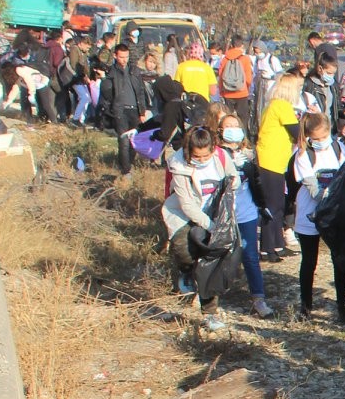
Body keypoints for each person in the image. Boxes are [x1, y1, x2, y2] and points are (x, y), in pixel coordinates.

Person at [161, 117, 239, 332]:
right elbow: (186, 204)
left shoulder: (221, 157)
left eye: (207, 155)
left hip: (215, 213)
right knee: (184, 249)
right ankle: (186, 270)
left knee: (208, 262)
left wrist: (231, 186)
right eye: (197, 156)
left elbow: (234, 177)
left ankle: (210, 312)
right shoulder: (179, 164)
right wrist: (210, 226)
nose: (202, 159)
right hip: (185, 215)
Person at [293, 112, 345, 323]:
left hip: (335, 214)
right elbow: (313, 189)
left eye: (323, 137)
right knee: (309, 260)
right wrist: (330, 196)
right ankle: (306, 305)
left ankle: (342, 305)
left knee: (339, 260)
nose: (321, 142)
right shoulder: (302, 155)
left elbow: (344, 173)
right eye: (316, 139)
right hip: (310, 214)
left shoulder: (338, 148)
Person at [217, 108, 274, 318]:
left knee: (250, 256)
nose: (233, 130)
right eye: (228, 127)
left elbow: (257, 183)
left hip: (247, 212)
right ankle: (208, 297)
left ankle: (258, 299)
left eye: (236, 126)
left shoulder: (249, 155)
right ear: (220, 131)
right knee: (219, 255)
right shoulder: (216, 155)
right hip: (223, 215)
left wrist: (262, 204)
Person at [256, 74, 304, 262]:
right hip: (271, 161)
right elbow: (297, 132)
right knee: (273, 206)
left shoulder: (275, 105)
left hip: (276, 161)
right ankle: (267, 248)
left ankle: (278, 244)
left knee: (279, 205)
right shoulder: (282, 106)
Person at [97, 42, 151, 170]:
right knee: (124, 141)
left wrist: (142, 112)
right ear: (115, 56)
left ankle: (129, 163)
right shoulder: (111, 72)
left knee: (134, 141)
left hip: (135, 110)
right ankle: (125, 170)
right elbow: (107, 93)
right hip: (120, 111)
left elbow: (140, 91)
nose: (124, 60)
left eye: (126, 57)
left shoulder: (134, 70)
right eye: (121, 57)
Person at [217, 35, 255, 131]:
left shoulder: (225, 59)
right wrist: (245, 88)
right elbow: (248, 78)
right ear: (241, 45)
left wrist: (222, 90)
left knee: (228, 118)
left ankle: (227, 136)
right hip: (242, 92)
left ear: (232, 45)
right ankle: (243, 138)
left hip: (227, 92)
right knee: (243, 118)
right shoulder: (245, 58)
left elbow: (221, 76)